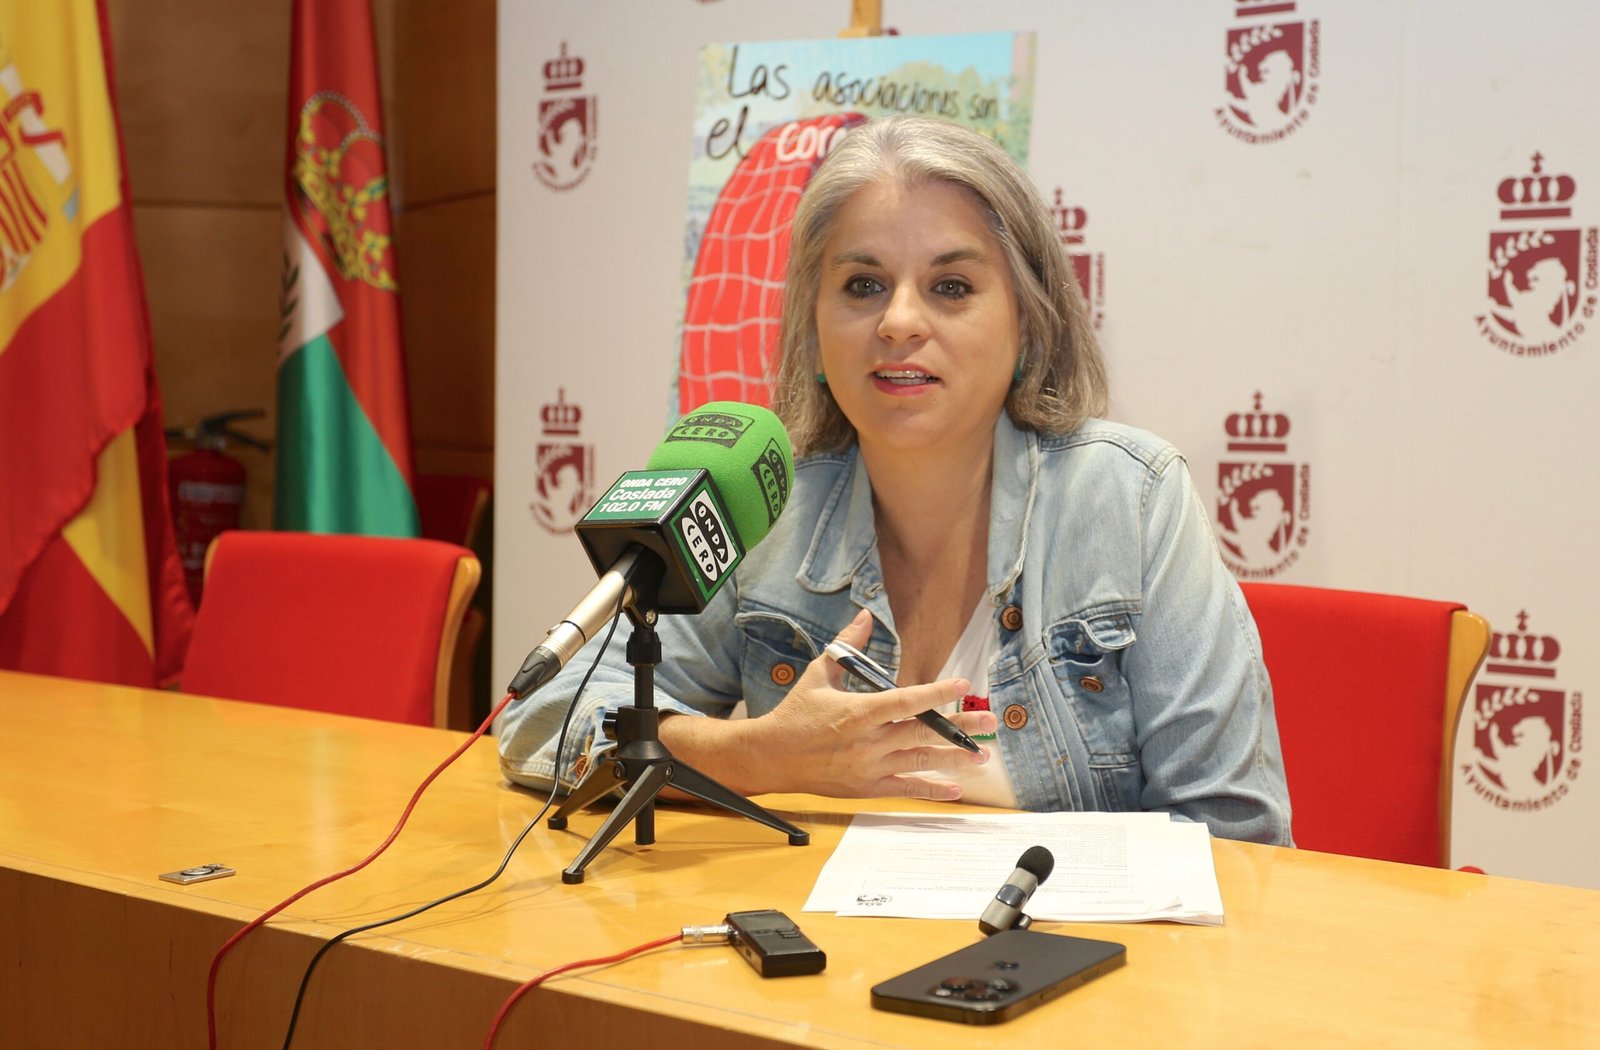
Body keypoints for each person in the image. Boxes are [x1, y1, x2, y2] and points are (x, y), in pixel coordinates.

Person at [499, 116, 1292, 845]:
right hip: (817, 945)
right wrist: (760, 755)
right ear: (813, 327)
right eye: (863, 285)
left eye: (951, 286)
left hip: (1071, 948)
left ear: (1028, 323)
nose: (899, 322)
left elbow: (1235, 837)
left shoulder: (1133, 500)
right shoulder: (769, 512)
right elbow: (542, 717)